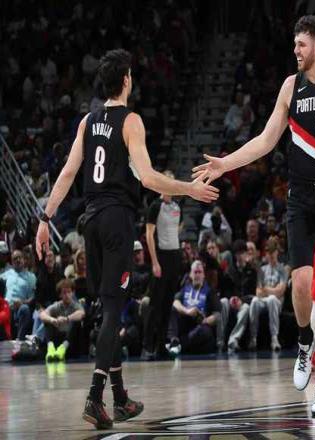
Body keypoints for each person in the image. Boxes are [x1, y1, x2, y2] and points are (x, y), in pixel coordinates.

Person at [192, 15, 315, 415]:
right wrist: (225, 163)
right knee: (301, 281)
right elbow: (265, 140)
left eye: (301, 45)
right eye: (294, 44)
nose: (296, 51)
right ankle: (304, 342)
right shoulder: (290, 87)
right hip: (299, 199)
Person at [35, 49, 219, 430]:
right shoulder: (131, 121)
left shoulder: (88, 122)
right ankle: (95, 397)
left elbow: (68, 173)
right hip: (117, 220)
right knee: (113, 312)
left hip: (90, 221)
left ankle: (119, 398)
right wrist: (189, 188)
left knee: (107, 309)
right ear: (126, 81)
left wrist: (44, 218)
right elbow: (148, 178)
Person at [142, 170, 184, 360]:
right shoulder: (155, 206)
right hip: (161, 258)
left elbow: (176, 230)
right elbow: (149, 235)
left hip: (175, 257)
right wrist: (155, 262)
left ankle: (161, 346)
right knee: (155, 305)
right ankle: (147, 347)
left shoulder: (177, 206)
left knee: (167, 304)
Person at [168, 260, 221, 354]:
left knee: (205, 331)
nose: (197, 275)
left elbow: (217, 315)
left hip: (200, 325)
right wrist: (187, 311)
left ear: (203, 275)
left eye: (200, 272)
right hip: (186, 322)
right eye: (195, 272)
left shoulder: (210, 291)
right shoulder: (185, 289)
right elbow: (175, 302)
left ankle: (179, 346)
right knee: (172, 309)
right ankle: (174, 340)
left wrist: (205, 320)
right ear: (190, 275)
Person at [249, 237, 287, 351]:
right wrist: (271, 290)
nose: (270, 255)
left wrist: (266, 289)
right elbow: (258, 292)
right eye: (268, 252)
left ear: (277, 252)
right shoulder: (262, 270)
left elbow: (280, 291)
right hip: (264, 300)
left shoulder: (283, 269)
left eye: (272, 251)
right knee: (254, 301)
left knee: (272, 299)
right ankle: (253, 338)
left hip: (277, 302)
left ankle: (274, 339)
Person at [40, 278, 85, 362]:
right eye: (64, 293)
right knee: (47, 322)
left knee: (76, 322)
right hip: (58, 338)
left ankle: (63, 348)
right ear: (60, 295)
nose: (67, 295)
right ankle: (50, 348)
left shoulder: (76, 305)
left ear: (72, 293)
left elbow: (81, 313)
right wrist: (52, 320)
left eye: (69, 292)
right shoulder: (57, 305)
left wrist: (67, 319)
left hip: (70, 343)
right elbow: (42, 314)